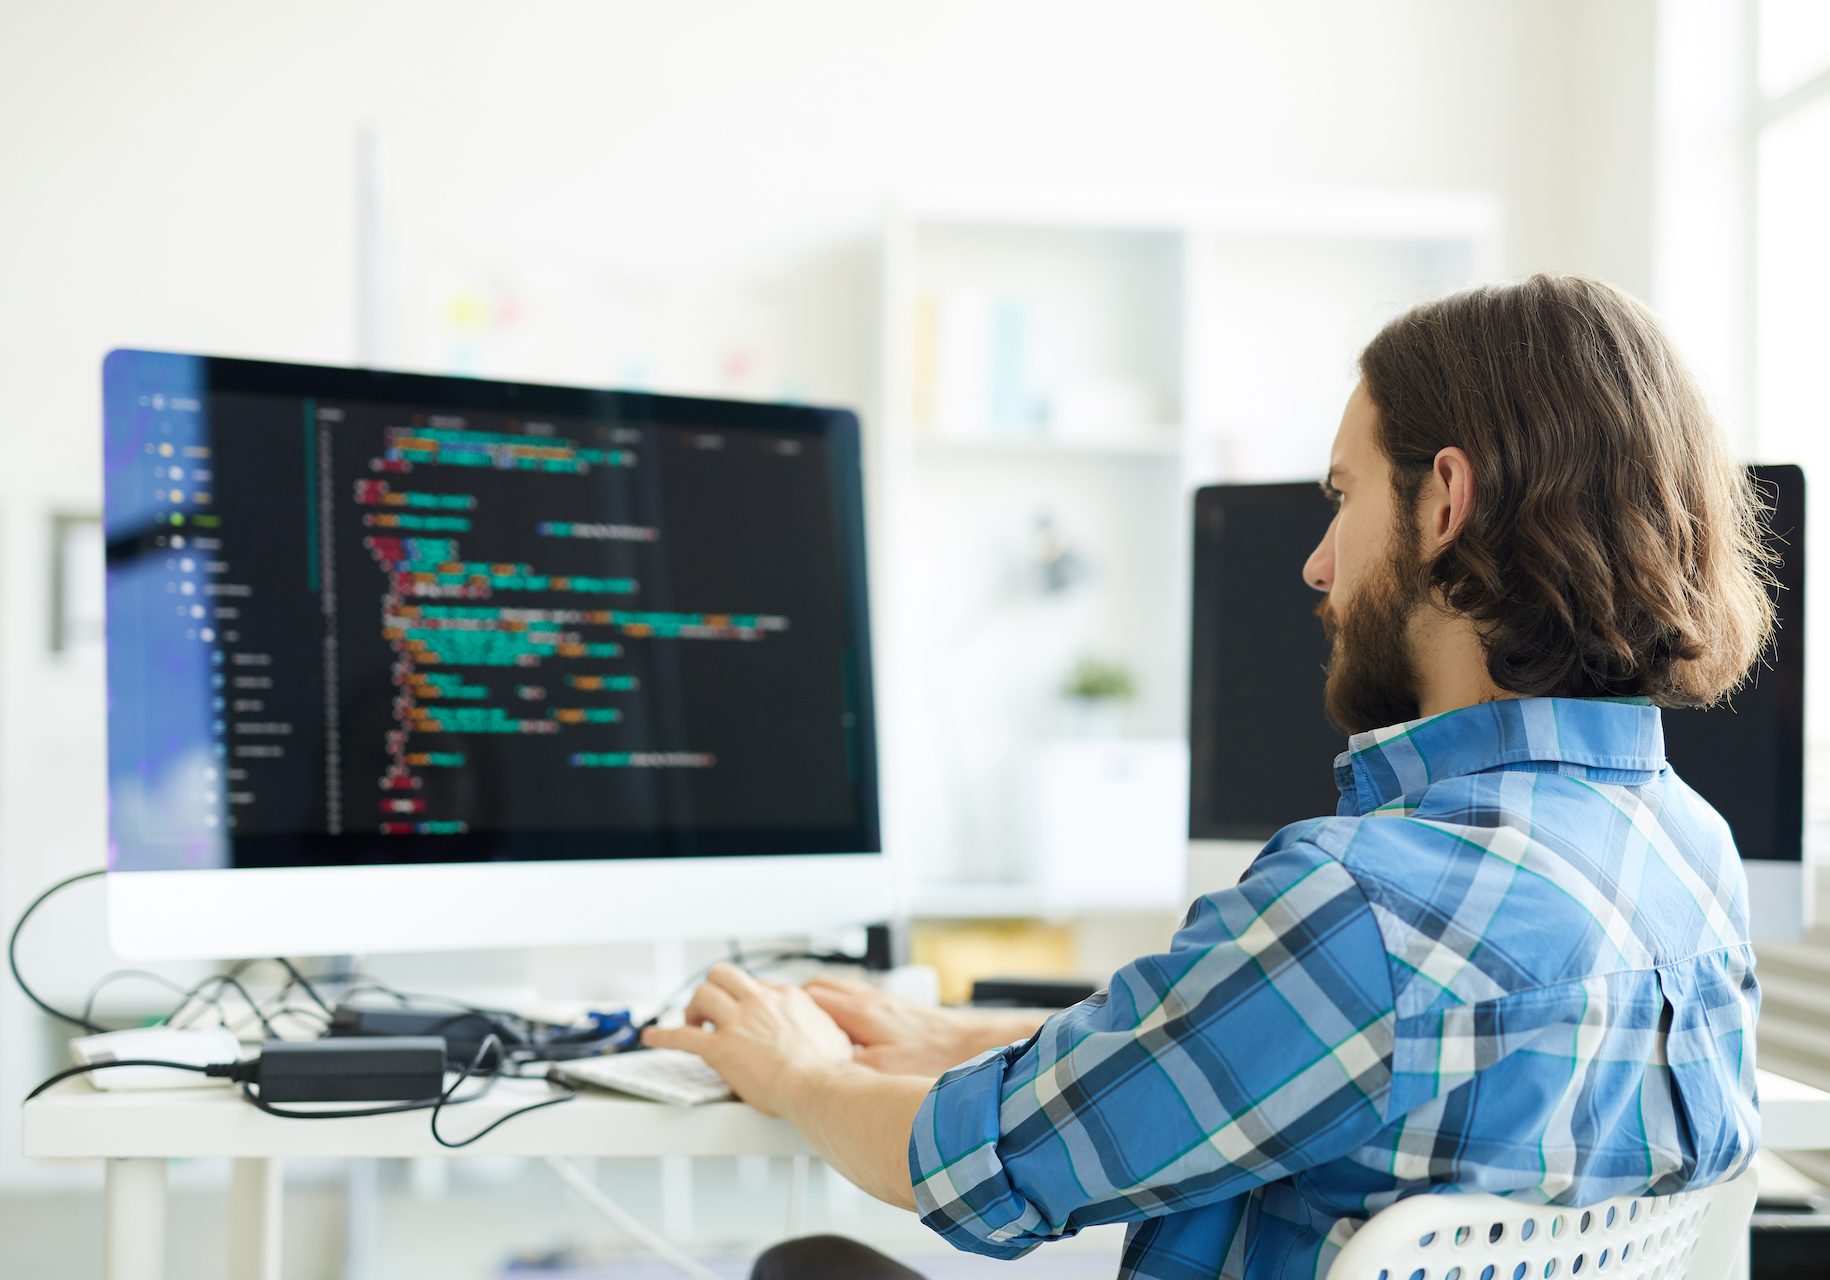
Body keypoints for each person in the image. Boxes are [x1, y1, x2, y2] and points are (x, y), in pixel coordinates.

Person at [643, 273, 1771, 1279]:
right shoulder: (1693, 858)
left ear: (1443, 499)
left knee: (808, 1262)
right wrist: (968, 1039)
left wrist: (799, 1074)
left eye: (1343, 495)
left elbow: (978, 1166)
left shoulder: (1364, 903)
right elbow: (1307, 1073)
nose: (1318, 561)